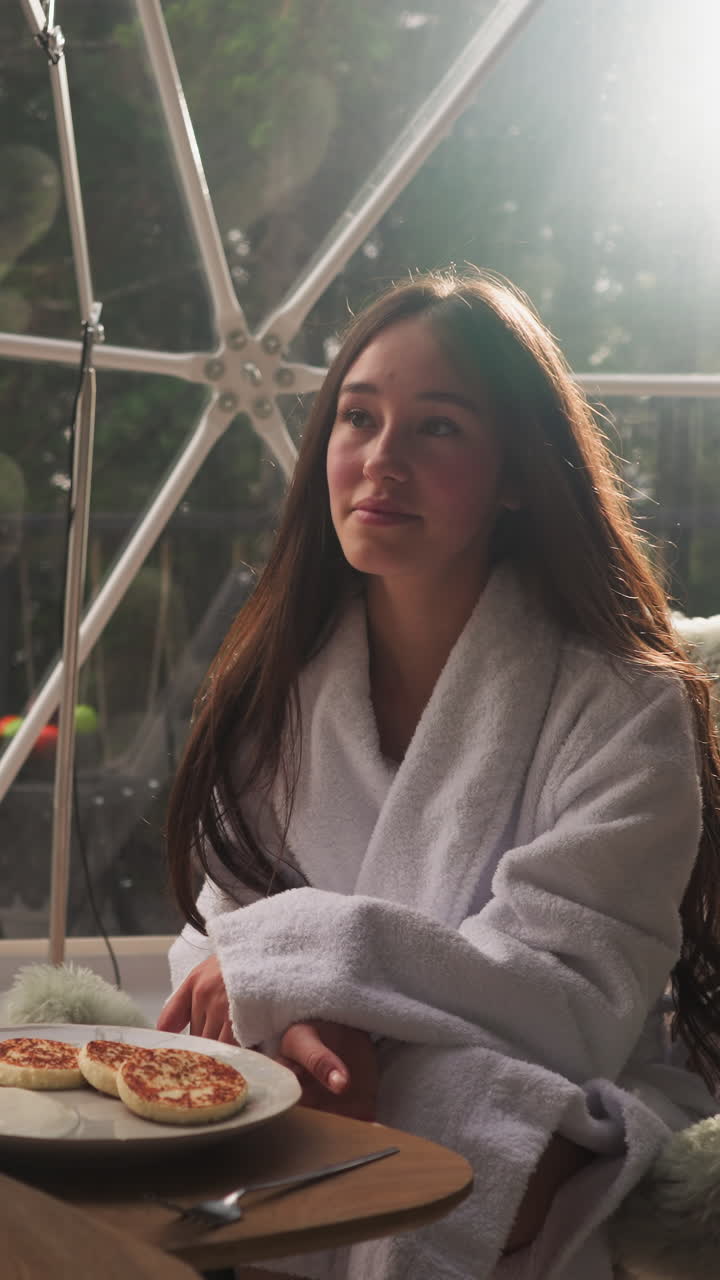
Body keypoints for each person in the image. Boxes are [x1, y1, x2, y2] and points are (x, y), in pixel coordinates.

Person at [158, 270, 720, 1280]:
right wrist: (294, 1020)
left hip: (534, 1087)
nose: (381, 459)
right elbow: (212, 953)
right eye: (358, 417)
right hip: (306, 1076)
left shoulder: (627, 705)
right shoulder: (277, 688)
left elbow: (574, 994)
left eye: (439, 428)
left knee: (473, 1108)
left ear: (516, 471)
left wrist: (309, 966)